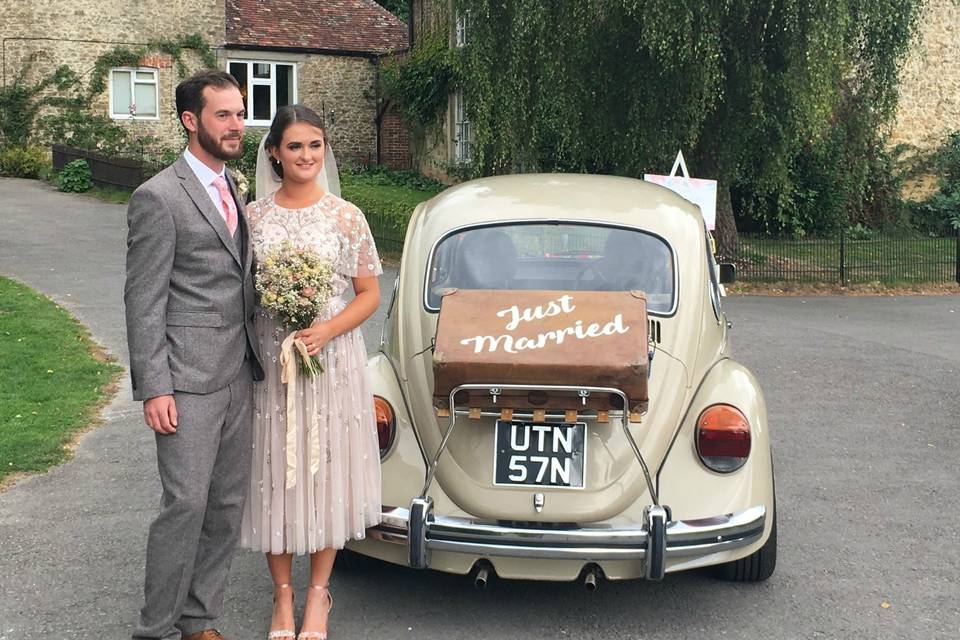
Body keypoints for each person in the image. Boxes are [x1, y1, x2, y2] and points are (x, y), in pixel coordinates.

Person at [124, 69, 264, 640]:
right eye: (224, 115)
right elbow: (143, 298)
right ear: (191, 120)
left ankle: (200, 620)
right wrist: (154, 385)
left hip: (239, 374)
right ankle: (154, 630)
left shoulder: (235, 188)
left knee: (226, 508)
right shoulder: (157, 197)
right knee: (184, 506)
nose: (237, 126)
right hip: (185, 381)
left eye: (239, 113)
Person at [239, 104, 383, 640]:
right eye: (295, 146)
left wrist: (325, 330)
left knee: (326, 470)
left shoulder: (346, 216)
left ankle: (319, 593)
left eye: (315, 145)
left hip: (332, 359)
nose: (306, 156)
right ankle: (282, 596)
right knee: (273, 468)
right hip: (273, 361)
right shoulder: (253, 217)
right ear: (274, 152)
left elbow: (368, 294)